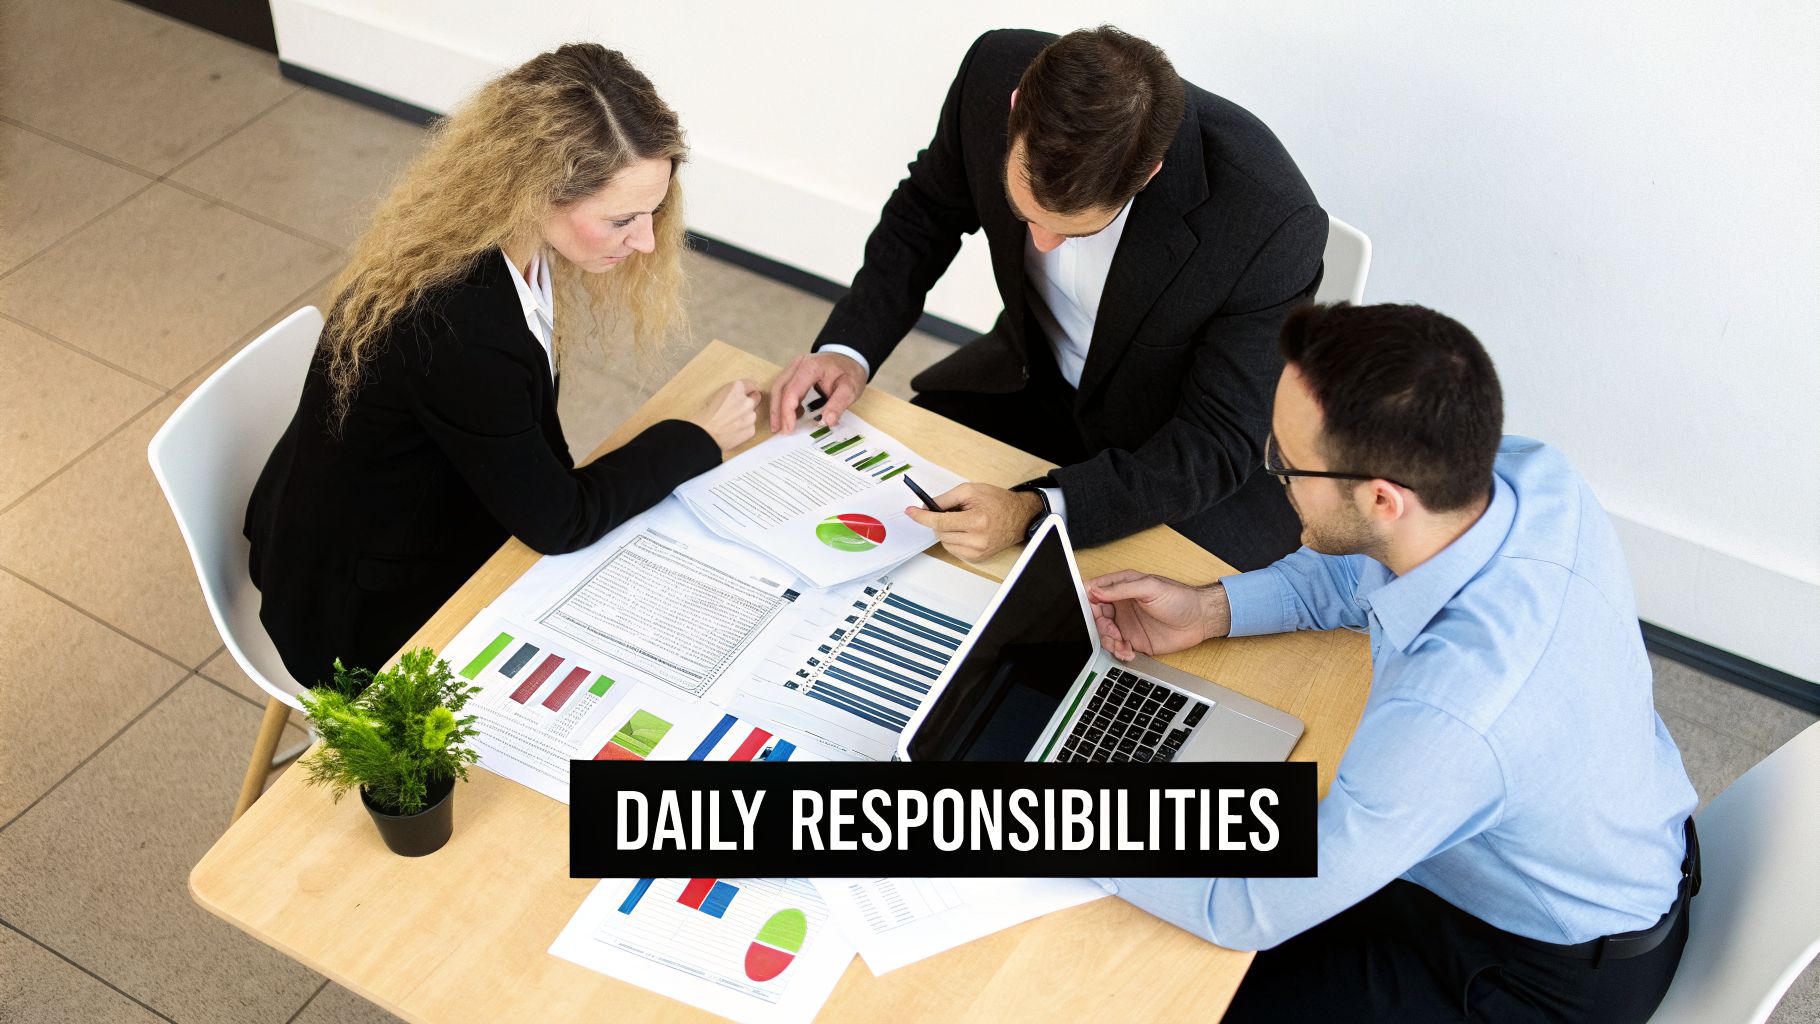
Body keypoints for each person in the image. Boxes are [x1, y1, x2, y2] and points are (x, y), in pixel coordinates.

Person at [1087, 303, 1699, 1022]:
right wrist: (1211, 610)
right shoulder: (1529, 479)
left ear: (1382, 497)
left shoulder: (1457, 714)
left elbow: (1242, 906)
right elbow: (1363, 570)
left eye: (1284, 462)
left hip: (1532, 972)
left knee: (1170, 989)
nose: (1271, 471)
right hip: (1538, 845)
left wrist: (1041, 819)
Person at [245, 44, 760, 686]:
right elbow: (559, 520)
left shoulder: (499, 242)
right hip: (359, 616)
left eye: (653, 210)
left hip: (382, 520)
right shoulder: (459, 324)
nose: (647, 240)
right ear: (536, 193)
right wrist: (698, 439)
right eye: (621, 219)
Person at [767, 26, 1326, 570]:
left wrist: (1038, 510)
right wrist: (848, 350)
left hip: (1171, 449)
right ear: (1014, 109)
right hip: (1025, 385)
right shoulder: (991, 72)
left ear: (1148, 174)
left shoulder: (1271, 220)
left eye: (1074, 231)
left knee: (1106, 629)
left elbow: (1215, 440)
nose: (1042, 243)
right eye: (1025, 213)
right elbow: (925, 215)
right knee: (883, 534)